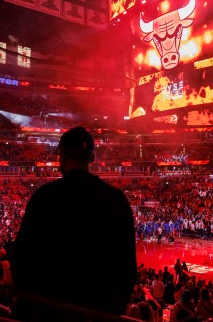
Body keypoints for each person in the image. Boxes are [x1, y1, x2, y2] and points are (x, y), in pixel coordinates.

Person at [11, 126, 137, 320]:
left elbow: (21, 259)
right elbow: (127, 267)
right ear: (92, 158)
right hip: (99, 312)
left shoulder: (44, 197)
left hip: (49, 310)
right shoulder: (116, 199)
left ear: (61, 157)